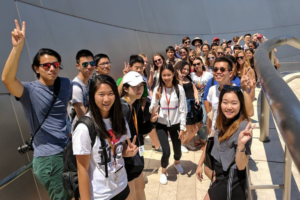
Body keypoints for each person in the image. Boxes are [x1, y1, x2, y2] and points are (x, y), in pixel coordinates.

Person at [2, 20, 72, 199]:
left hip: (67, 151)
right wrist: (17, 48)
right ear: (36, 68)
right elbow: (7, 80)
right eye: (46, 65)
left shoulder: (65, 84)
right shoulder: (29, 90)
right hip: (49, 159)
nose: (51, 69)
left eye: (55, 65)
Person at [73, 75, 138, 200]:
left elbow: (119, 149)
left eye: (110, 93)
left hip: (122, 185)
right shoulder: (84, 128)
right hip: (100, 194)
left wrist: (127, 152)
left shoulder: (119, 119)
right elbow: (82, 170)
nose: (107, 99)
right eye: (101, 94)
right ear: (92, 96)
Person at [196, 84, 255, 200]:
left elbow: (241, 165)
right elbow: (211, 141)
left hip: (230, 182)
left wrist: (241, 144)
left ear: (241, 105)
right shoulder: (222, 120)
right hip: (219, 177)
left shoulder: (243, 127)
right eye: (225, 102)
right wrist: (200, 164)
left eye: (234, 103)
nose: (229, 107)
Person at [202, 57, 254, 180]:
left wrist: (244, 89)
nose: (218, 72)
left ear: (230, 73)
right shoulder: (212, 90)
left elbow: (250, 112)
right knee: (208, 169)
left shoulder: (236, 89)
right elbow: (212, 113)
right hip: (217, 133)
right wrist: (210, 130)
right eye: (215, 69)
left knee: (231, 172)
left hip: (232, 137)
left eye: (222, 69)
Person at [120, 71, 159, 200]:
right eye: (135, 86)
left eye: (141, 86)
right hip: (126, 157)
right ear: (125, 88)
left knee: (140, 187)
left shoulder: (135, 104)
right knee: (131, 193)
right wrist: (124, 152)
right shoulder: (122, 108)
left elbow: (140, 130)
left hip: (137, 151)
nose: (139, 89)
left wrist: (152, 122)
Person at [149, 64, 187, 185]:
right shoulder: (158, 89)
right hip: (162, 124)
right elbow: (152, 110)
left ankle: (177, 163)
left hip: (175, 123)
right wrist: (155, 99)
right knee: (166, 151)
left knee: (177, 150)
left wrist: (182, 127)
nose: (166, 77)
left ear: (173, 74)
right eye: (164, 75)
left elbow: (183, 109)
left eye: (168, 75)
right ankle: (163, 171)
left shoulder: (179, 89)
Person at [139, 54, 162, 153]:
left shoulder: (143, 72)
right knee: (149, 123)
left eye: (146, 61)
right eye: (143, 61)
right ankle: (157, 146)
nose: (145, 63)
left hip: (148, 100)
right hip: (142, 102)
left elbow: (148, 86)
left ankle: (155, 144)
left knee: (150, 122)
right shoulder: (137, 73)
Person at [176, 61, 202, 150]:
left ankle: (185, 142)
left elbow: (194, 89)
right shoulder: (176, 79)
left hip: (193, 106)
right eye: (184, 69)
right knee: (191, 129)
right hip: (185, 107)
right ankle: (182, 144)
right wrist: (180, 79)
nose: (186, 71)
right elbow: (180, 91)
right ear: (179, 69)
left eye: (187, 69)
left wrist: (197, 98)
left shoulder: (189, 78)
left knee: (196, 128)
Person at [191, 58, 213, 147]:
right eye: (195, 64)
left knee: (203, 120)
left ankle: (204, 141)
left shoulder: (209, 74)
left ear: (202, 64)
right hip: (195, 99)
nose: (197, 66)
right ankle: (200, 138)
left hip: (206, 99)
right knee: (198, 120)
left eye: (198, 64)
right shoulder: (191, 75)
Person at [70, 49, 95, 128]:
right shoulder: (76, 87)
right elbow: (83, 118)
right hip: (82, 129)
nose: (89, 67)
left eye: (92, 63)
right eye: (85, 64)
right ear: (78, 66)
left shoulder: (92, 82)